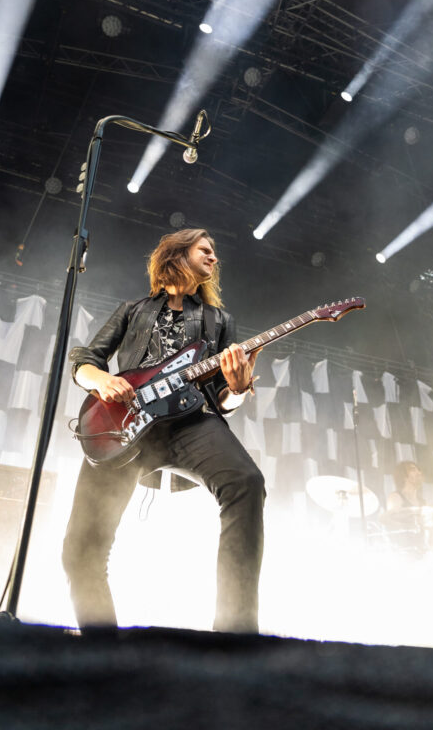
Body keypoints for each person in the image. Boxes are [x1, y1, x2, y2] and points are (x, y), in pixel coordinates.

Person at [62, 228, 264, 633]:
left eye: (214, 252)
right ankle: (102, 646)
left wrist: (239, 390)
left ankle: (236, 636)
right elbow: (84, 358)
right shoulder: (132, 310)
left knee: (246, 482)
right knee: (80, 550)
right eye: (205, 250)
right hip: (125, 428)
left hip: (192, 423)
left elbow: (224, 398)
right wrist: (99, 380)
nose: (214, 257)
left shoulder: (220, 320)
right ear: (177, 253)